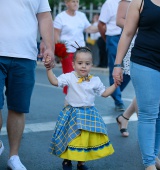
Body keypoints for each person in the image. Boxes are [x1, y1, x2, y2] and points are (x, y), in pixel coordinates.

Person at [113, 0, 160, 169]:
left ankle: (153, 155)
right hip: (145, 62)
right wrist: (118, 64)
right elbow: (127, 33)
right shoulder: (140, 1)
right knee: (149, 113)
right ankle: (149, 163)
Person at [0, 1, 54, 170]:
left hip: (25, 54)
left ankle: (14, 157)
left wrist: (49, 47)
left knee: (18, 108)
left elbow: (44, 16)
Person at [46, 46, 116, 170]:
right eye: (80, 63)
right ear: (73, 64)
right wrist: (48, 70)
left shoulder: (95, 80)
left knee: (84, 139)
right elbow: (55, 82)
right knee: (71, 138)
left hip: (89, 113)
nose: (83, 66)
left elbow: (105, 93)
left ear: (91, 65)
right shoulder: (69, 77)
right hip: (72, 113)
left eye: (87, 63)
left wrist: (115, 84)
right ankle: (67, 160)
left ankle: (81, 163)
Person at [53, 0, 98, 95]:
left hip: (81, 52)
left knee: (81, 77)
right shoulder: (61, 17)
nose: (76, 3)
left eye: (77, 1)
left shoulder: (81, 16)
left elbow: (89, 29)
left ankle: (77, 102)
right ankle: (69, 103)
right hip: (67, 52)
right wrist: (58, 52)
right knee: (70, 78)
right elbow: (56, 35)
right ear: (67, 3)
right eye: (73, 1)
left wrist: (103, 26)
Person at [98, 0, 131, 112]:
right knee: (115, 68)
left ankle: (114, 91)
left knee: (129, 69)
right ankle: (118, 101)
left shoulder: (131, 1)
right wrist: (107, 40)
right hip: (113, 37)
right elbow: (101, 24)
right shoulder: (109, 3)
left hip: (129, 37)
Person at [115, 0, 138, 137]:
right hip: (135, 43)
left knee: (144, 90)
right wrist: (141, 27)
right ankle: (146, 135)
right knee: (143, 88)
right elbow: (119, 20)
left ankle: (124, 117)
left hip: (154, 44)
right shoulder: (127, 0)